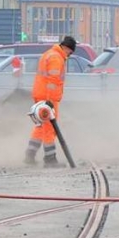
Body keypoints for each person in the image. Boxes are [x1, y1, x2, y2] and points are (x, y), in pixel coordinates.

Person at [24, 36, 77, 168]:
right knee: (50, 127)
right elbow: (53, 81)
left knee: (40, 125)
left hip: (39, 94)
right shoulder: (56, 58)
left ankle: (30, 155)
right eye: (70, 53)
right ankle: (50, 159)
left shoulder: (49, 54)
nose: (69, 56)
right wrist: (49, 101)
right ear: (66, 48)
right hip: (48, 97)